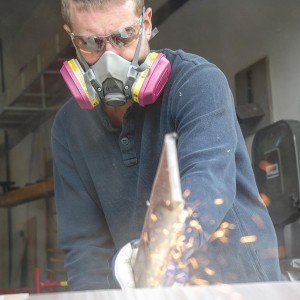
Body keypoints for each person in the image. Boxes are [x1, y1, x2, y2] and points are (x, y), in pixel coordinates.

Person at [52, 0, 282, 291]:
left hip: (238, 286)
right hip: (148, 291)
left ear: (145, 25)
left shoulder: (198, 83)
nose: (109, 59)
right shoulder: (68, 127)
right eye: (90, 43)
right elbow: (84, 246)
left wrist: (155, 256)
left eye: (123, 37)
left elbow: (207, 184)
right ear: (72, 37)